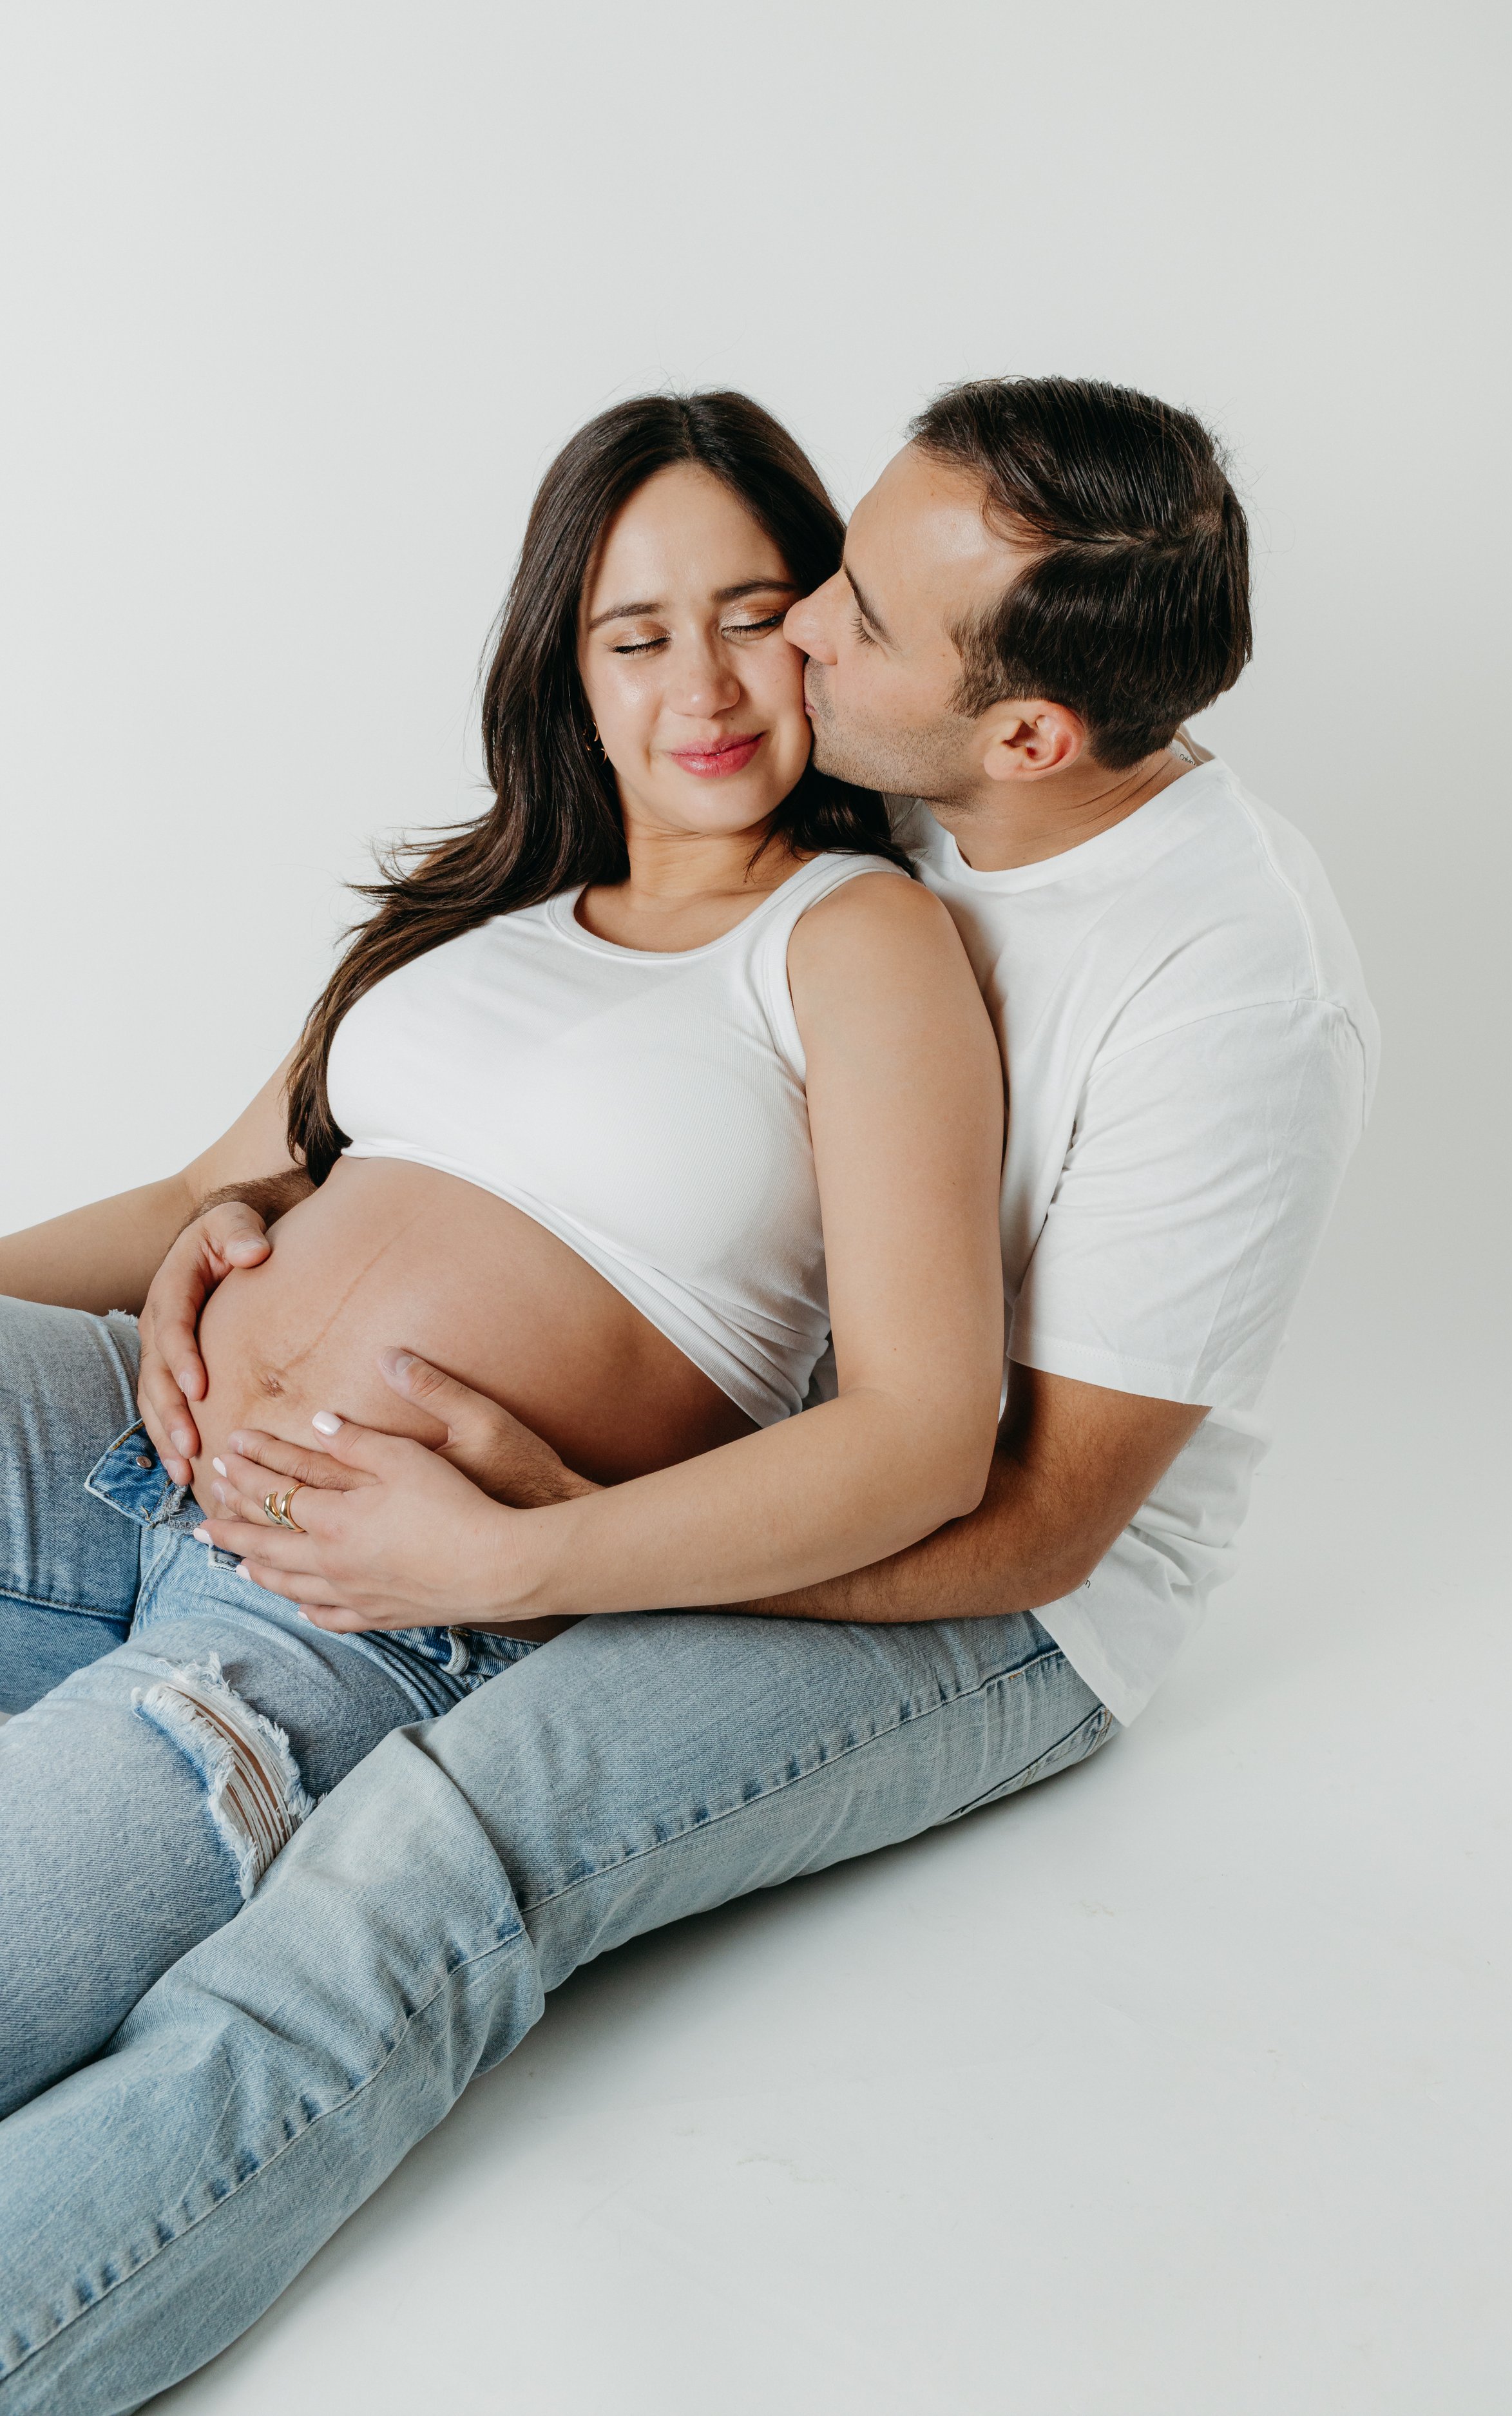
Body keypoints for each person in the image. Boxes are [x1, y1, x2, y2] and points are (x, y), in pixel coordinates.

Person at [0, 376, 1377, 2413]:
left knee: (432, 1869)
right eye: (655, 626)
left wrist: (531, 1560)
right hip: (207, 1455)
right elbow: (275, 1161)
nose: (788, 644)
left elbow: (1004, 1487)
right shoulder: (614, 864)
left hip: (999, 1577)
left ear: (1024, 735)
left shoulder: (1178, 970)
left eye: (815, 613)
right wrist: (264, 1217)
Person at [0, 391, 1006, 2114]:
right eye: (637, 636)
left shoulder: (855, 938)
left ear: (826, 634)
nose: (697, 687)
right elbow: (191, 1196)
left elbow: (923, 1433)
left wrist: (514, 1565)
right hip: (116, 1437)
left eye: (750, 621)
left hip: (348, 1607)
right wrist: (229, 1235)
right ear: (571, 671)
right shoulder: (477, 923)